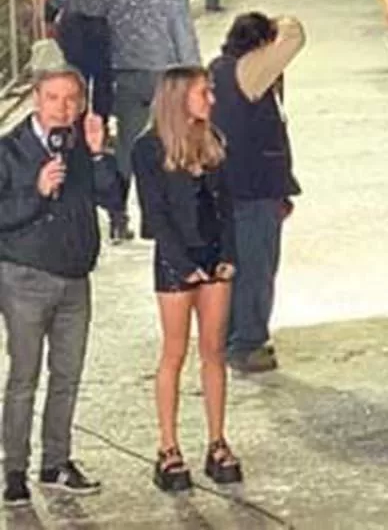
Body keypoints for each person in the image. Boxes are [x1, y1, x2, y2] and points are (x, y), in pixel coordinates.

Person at [0, 69, 122, 507]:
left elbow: (114, 198)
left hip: (75, 279)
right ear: (36, 98)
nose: (63, 108)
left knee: (67, 376)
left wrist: (99, 154)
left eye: (72, 99)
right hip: (25, 278)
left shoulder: (80, 145)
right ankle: (14, 469)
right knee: (24, 377)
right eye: (53, 98)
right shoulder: (9, 150)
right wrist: (35, 192)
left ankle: (56, 462)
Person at [40, 0, 201, 240]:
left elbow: (82, 0)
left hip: (126, 80)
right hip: (164, 81)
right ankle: (159, 219)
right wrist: (195, 82)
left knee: (127, 148)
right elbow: (186, 45)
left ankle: (119, 216)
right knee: (168, 148)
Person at [133, 68, 242, 492]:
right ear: (180, 98)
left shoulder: (213, 140)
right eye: (203, 92)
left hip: (214, 255)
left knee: (213, 351)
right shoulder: (148, 149)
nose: (211, 98)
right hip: (176, 260)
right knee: (174, 352)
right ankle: (168, 446)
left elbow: (227, 205)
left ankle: (217, 440)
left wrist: (228, 255)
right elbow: (155, 214)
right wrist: (182, 264)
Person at [210, 13, 305, 375]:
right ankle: (246, 344)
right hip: (251, 190)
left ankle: (228, 337)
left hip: (233, 187)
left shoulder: (220, 69)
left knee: (236, 267)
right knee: (256, 269)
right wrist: (282, 23)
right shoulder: (249, 71)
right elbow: (295, 37)